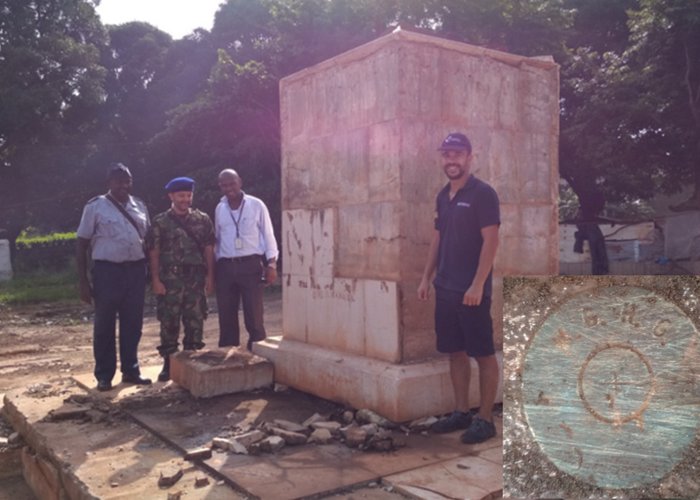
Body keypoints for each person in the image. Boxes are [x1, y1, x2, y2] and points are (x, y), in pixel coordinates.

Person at [417, 132, 500, 444]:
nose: (451, 160)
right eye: (446, 154)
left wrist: (478, 283)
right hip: (446, 288)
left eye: (457, 154)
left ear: (469, 157)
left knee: (483, 353)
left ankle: (485, 419)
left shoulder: (483, 194)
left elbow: (491, 241)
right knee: (455, 351)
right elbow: (438, 238)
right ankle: (461, 411)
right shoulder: (443, 195)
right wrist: (426, 277)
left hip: (472, 292)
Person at [77, 163, 152, 391]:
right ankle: (104, 375)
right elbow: (81, 245)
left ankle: (131, 370)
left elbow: (147, 240)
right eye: (118, 181)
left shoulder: (139, 205)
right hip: (107, 272)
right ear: (108, 183)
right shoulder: (95, 207)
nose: (123, 185)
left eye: (127, 180)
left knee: (133, 324)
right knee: (104, 326)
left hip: (136, 271)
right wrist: (83, 281)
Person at [146, 177, 215, 382]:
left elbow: (209, 249)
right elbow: (154, 252)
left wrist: (211, 276)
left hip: (195, 278)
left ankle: (192, 361)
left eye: (188, 195)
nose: (185, 199)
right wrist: (156, 280)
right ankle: (169, 363)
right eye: (181, 196)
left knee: (195, 320)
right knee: (169, 321)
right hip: (170, 279)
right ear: (171, 196)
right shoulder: (160, 222)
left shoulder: (202, 220)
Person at [214, 169, 278, 351]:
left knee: (254, 315)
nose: (229, 188)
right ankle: (229, 356)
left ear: (240, 182)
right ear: (220, 187)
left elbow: (268, 234)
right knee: (226, 315)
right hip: (226, 267)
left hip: (250, 265)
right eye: (224, 185)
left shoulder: (256, 205)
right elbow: (218, 239)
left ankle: (257, 355)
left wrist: (271, 263)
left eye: (232, 183)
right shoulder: (220, 208)